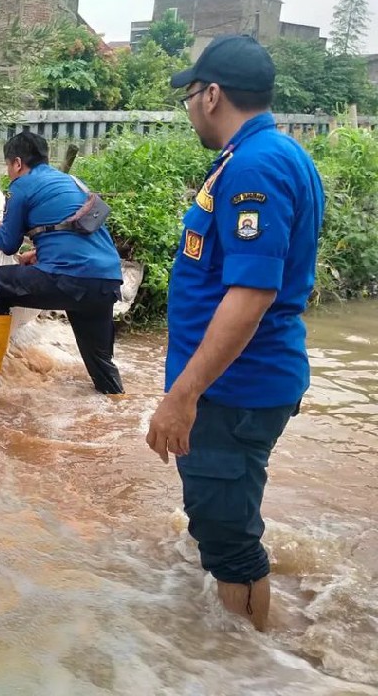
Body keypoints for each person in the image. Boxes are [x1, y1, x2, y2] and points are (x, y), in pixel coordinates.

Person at [146, 34, 325, 632]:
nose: (190, 107)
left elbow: (251, 295)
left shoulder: (257, 164)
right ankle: (237, 650)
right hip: (235, 385)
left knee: (229, 541)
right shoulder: (259, 155)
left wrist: (183, 396)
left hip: (232, 390)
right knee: (222, 520)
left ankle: (247, 666)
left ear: (213, 94)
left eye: (191, 95)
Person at [0, 131, 124, 394]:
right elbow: (73, 232)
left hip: (69, 279)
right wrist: (37, 255)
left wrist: (0, 228)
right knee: (101, 366)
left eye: (8, 165)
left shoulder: (22, 185)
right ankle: (116, 404)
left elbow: (8, 244)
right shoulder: (74, 182)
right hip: (106, 281)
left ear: (17, 163)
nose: (9, 172)